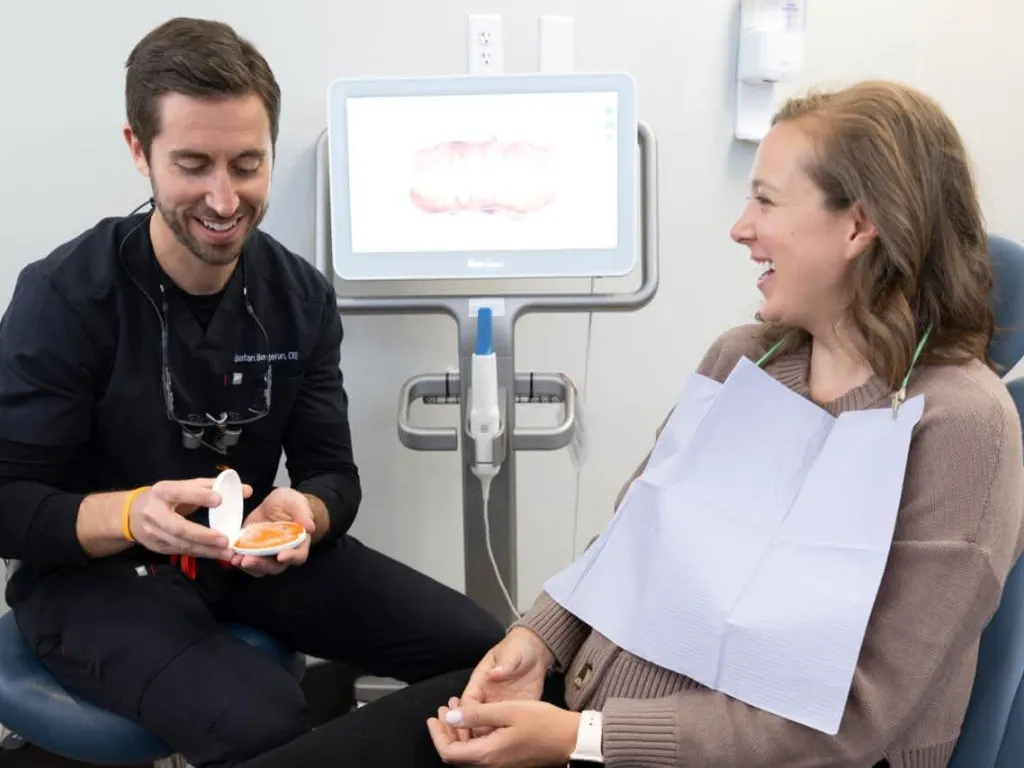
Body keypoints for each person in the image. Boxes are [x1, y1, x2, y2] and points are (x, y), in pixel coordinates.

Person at [233, 80, 1024, 768]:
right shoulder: (747, 359)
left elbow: (853, 721)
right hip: (584, 710)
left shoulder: (959, 424)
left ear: (859, 226)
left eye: (767, 202)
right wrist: (536, 640)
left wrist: (581, 739)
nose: (741, 228)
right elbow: (630, 544)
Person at [0, 16, 505, 768]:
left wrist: (306, 511)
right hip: (93, 580)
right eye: (193, 163)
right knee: (265, 718)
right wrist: (136, 515)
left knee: (489, 654)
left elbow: (335, 475)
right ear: (139, 151)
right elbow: (10, 506)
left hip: (243, 561)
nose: (224, 197)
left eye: (246, 163)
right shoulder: (65, 297)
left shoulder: (298, 295)